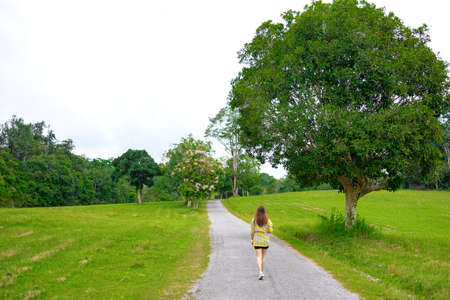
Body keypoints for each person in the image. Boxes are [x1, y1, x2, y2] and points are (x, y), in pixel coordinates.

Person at [250, 205, 273, 280]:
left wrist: (252, 239)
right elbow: (270, 231)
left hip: (257, 240)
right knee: (263, 257)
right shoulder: (268, 220)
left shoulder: (254, 220)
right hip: (265, 241)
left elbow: (252, 232)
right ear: (264, 212)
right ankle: (261, 272)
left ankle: (260, 272)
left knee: (258, 257)